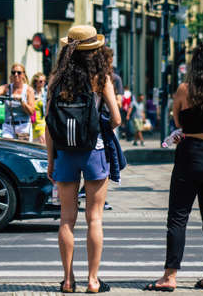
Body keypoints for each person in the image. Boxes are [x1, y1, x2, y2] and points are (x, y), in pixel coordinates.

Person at [144, 41, 203, 292]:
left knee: (178, 217)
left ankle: (170, 276)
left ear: (196, 64)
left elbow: (177, 120)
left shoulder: (185, 89)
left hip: (191, 156)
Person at [45, 25, 121, 293]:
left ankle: (67, 280)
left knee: (67, 219)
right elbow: (117, 119)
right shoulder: (101, 79)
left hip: (65, 154)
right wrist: (97, 126)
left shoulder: (56, 80)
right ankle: (92, 280)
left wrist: (51, 161)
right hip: (95, 152)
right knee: (95, 218)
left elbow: (49, 124)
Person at [0, 63, 35, 141]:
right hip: (8, 126)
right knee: (7, 150)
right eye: (13, 72)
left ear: (23, 74)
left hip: (23, 126)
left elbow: (31, 112)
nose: (16, 74)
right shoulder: (6, 88)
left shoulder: (28, 90)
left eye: (19, 72)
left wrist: (22, 102)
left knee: (21, 151)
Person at [30, 72, 47, 144]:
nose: (43, 83)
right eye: (40, 81)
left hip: (43, 122)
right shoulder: (31, 93)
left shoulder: (45, 93)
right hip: (34, 122)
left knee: (43, 143)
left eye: (44, 81)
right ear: (35, 82)